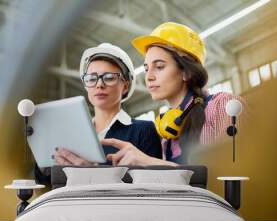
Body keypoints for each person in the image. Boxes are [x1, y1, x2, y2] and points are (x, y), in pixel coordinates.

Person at [101, 22, 244, 166]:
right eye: (146, 68)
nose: (149, 76)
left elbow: (234, 170)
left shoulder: (225, 106)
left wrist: (150, 162)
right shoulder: (166, 134)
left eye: (159, 66)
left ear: (186, 72)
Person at [35, 43, 162, 184]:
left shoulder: (144, 131)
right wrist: (44, 154)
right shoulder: (73, 134)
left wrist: (94, 174)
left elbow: (151, 188)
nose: (99, 84)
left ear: (125, 86)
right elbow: (45, 180)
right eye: (92, 78)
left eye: (109, 77)